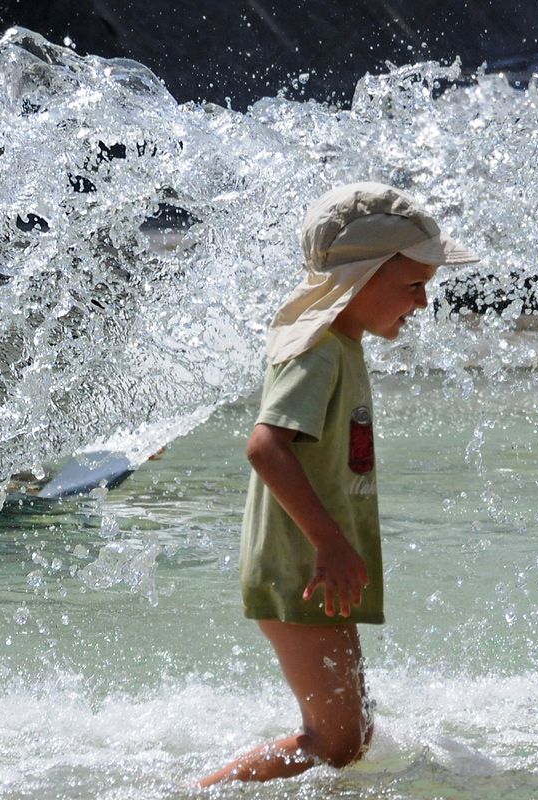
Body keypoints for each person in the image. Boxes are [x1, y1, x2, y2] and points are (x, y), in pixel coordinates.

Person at [198, 182, 479, 786]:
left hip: (315, 566)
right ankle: (193, 794)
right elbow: (265, 447)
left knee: (352, 733)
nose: (423, 303)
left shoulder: (341, 345)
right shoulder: (318, 352)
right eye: (412, 286)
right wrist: (330, 545)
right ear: (361, 277)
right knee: (336, 741)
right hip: (304, 563)